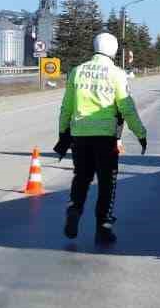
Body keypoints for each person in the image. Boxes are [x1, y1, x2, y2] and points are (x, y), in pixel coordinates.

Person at [58, 32, 148, 244]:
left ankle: (74, 208)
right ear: (114, 50)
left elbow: (66, 107)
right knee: (107, 183)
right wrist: (140, 133)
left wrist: (63, 133)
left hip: (80, 136)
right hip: (105, 138)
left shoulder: (77, 72)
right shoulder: (117, 74)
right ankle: (103, 227)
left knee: (81, 177)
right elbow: (127, 108)